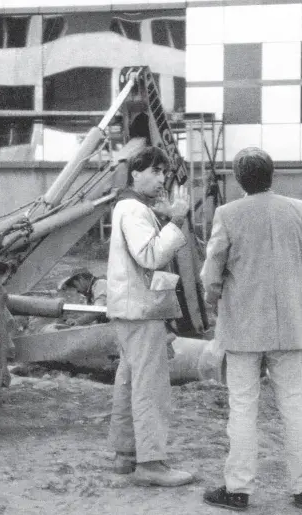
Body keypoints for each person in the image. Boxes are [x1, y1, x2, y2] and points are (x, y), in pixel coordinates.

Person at [200, 147, 302, 511]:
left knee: (242, 407)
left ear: (238, 180)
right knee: (293, 405)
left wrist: (213, 299)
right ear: (273, 175)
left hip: (243, 328)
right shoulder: (301, 211)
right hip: (292, 326)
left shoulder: (227, 214)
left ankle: (238, 489)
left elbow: (212, 271)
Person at [106, 145, 194, 486]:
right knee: (151, 386)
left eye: (163, 172)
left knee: (129, 381)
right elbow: (150, 255)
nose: (161, 178)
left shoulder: (130, 206)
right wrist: (176, 221)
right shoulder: (133, 210)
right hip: (140, 309)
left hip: (130, 309)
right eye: (155, 171)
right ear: (136, 172)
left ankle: (125, 454)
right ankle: (151, 463)